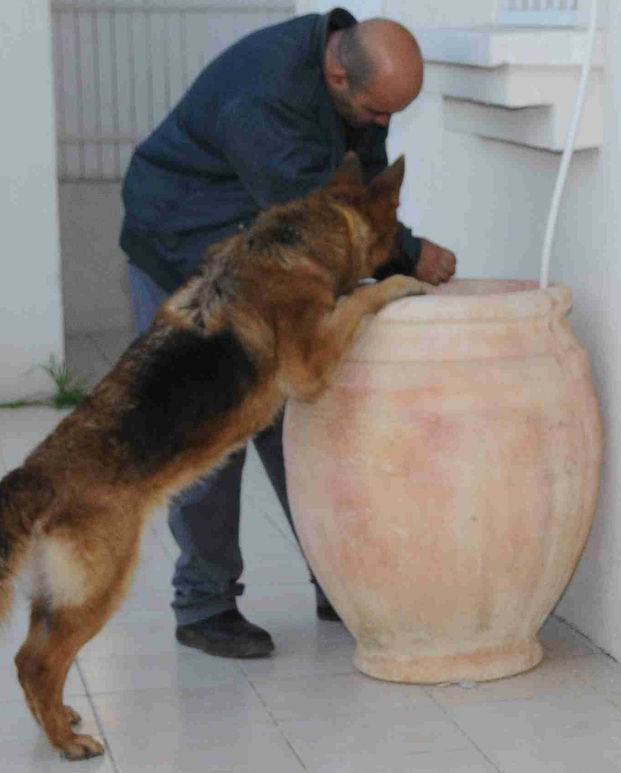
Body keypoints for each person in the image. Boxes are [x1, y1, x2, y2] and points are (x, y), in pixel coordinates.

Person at [118, 8, 457, 659]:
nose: (383, 126)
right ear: (338, 71)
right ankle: (206, 604)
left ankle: (338, 578)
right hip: (185, 248)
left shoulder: (349, 78)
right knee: (212, 427)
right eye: (377, 111)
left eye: (393, 114)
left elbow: (356, 185)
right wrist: (409, 256)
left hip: (263, 247)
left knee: (302, 411)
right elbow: (320, 212)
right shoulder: (263, 98)